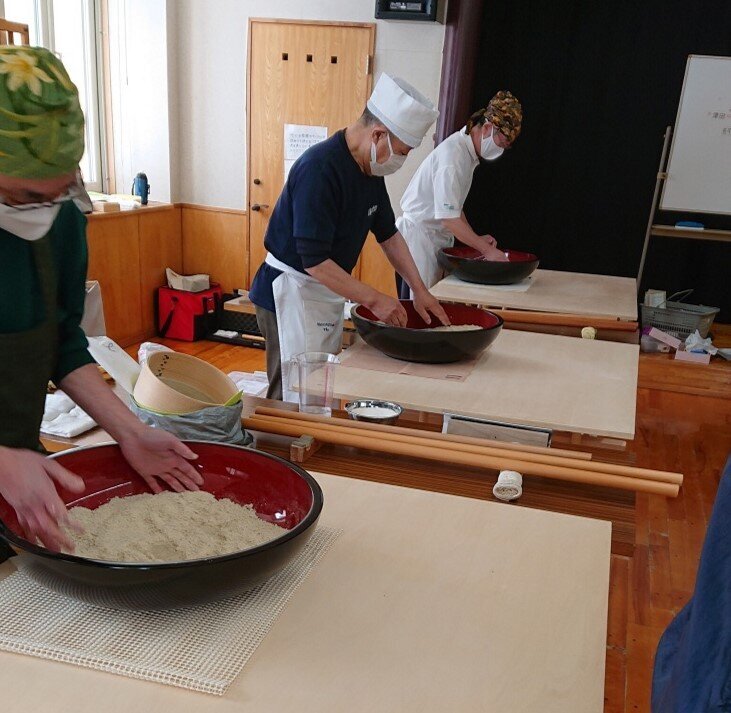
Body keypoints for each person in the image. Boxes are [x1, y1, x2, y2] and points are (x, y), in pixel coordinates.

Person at [0, 46, 202, 555]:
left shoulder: (60, 221)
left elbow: (61, 342)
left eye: (62, 187)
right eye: (25, 196)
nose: (43, 211)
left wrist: (130, 430)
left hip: (23, 468)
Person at [249, 73, 450, 401]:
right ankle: (276, 448)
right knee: (291, 391)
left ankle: (310, 441)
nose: (402, 160)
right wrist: (373, 298)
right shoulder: (320, 169)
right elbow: (315, 262)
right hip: (289, 290)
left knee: (319, 386)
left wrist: (419, 289)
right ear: (378, 134)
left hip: (324, 290)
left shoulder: (370, 171)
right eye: (402, 151)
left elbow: (389, 235)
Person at [395, 91, 523, 298]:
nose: (500, 149)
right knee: (422, 311)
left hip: (434, 237)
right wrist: (487, 251)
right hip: (421, 239)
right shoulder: (453, 158)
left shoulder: (466, 154)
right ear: (488, 128)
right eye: (501, 143)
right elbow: (449, 219)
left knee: (433, 307)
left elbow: (454, 208)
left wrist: (476, 240)